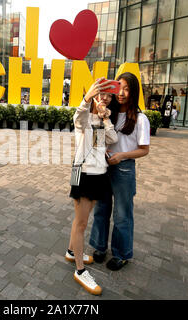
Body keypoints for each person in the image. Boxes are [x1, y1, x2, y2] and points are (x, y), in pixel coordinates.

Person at [89, 72, 150, 271]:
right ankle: (99, 247)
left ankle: (121, 254)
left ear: (133, 92)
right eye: (119, 88)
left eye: (126, 89)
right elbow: (97, 134)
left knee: (122, 214)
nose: (121, 93)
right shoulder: (109, 113)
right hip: (104, 167)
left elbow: (144, 150)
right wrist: (101, 149)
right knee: (101, 209)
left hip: (124, 170)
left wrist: (122, 156)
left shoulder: (140, 119)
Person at [66, 78, 119, 295]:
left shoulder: (102, 119)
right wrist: (86, 99)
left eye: (108, 95)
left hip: (99, 174)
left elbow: (113, 138)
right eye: (101, 94)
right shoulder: (86, 117)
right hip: (83, 174)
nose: (104, 98)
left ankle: (71, 252)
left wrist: (106, 118)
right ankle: (80, 271)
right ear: (94, 95)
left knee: (80, 220)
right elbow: (77, 118)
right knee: (81, 223)